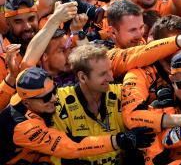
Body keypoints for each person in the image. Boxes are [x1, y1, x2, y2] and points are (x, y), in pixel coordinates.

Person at [0, 66, 155, 164]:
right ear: (26, 103)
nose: (54, 98)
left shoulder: (25, 94)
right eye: (46, 97)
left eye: (54, 90)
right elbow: (71, 146)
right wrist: (119, 140)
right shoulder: (23, 127)